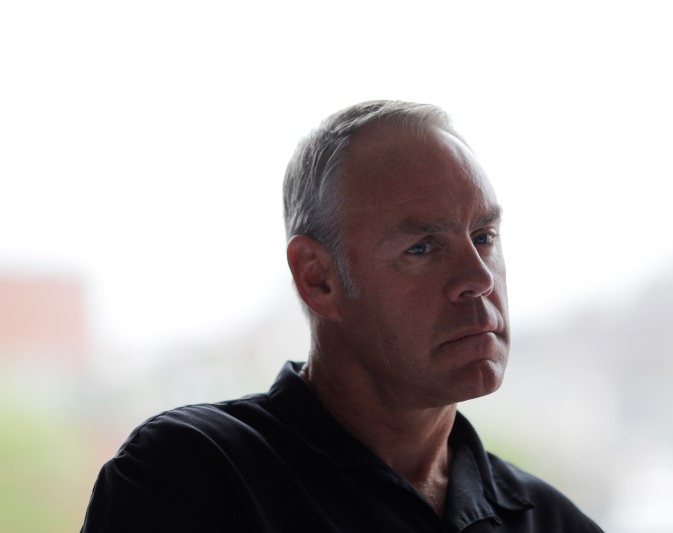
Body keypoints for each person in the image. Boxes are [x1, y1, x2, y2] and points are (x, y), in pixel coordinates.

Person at [80, 101, 603, 532]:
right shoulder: (193, 475)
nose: (480, 278)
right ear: (318, 278)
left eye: (484, 237)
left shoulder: (553, 521)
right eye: (422, 247)